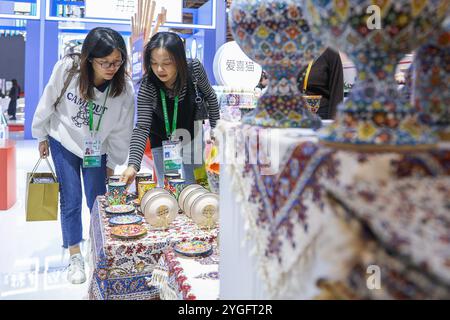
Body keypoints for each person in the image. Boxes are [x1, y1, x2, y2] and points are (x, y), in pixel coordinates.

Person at [31, 27, 135, 284]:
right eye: (105, 63)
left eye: (117, 61)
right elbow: (48, 99)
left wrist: (112, 162)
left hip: (96, 149)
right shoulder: (68, 69)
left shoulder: (124, 89)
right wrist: (41, 134)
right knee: (72, 199)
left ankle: (98, 248)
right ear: (89, 58)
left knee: (97, 200)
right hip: (63, 138)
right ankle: (75, 254)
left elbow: (122, 130)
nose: (112, 68)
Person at [121, 32, 219, 188]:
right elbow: (142, 127)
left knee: (194, 186)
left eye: (166, 63)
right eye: (153, 63)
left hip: (191, 133)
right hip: (161, 138)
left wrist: (216, 130)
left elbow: (211, 97)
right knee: (168, 188)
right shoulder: (148, 86)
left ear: (179, 59)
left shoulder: (194, 69)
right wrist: (133, 165)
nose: (159, 69)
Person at [298, 47, 344, 119]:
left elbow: (337, 91)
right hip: (292, 115)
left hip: (321, 117)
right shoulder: (288, 51)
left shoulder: (330, 52)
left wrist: (333, 122)